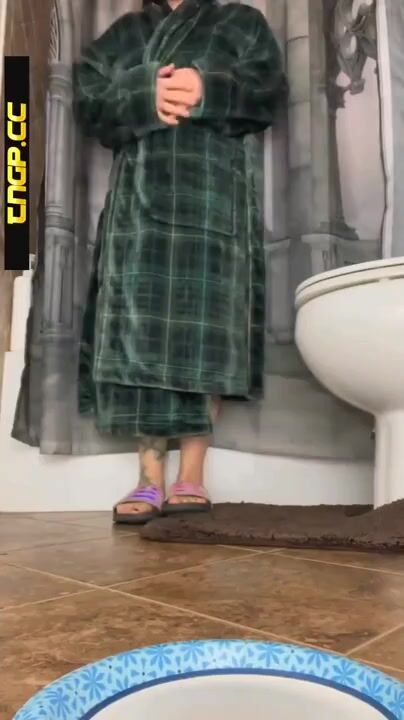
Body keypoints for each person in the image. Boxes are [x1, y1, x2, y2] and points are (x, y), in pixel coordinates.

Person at [73, 0, 287, 524]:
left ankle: (192, 474)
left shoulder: (241, 23)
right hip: (138, 208)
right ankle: (149, 478)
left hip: (214, 198)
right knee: (141, 336)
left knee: (203, 338)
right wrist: (141, 93)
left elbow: (267, 92)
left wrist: (207, 89)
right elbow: (87, 97)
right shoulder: (126, 33)